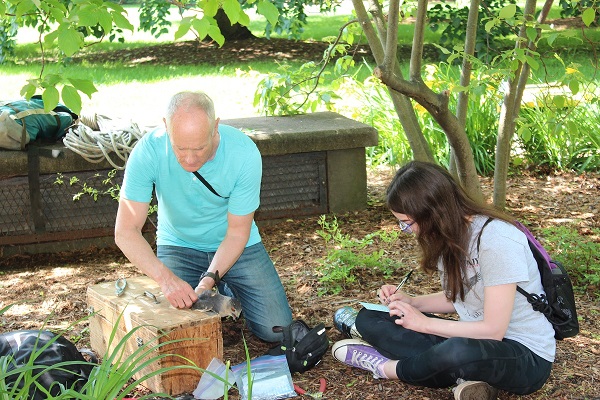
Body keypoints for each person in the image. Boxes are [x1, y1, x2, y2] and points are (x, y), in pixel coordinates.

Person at [331, 161, 555, 400]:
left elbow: (493, 331)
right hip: (471, 338)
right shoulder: (448, 236)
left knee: (456, 351)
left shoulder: (497, 240)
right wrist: (412, 303)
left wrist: (423, 324)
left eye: (407, 223)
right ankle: (472, 379)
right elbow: (462, 299)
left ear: (433, 212)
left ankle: (386, 367)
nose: (407, 230)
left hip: (523, 355)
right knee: (371, 318)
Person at [115, 90, 292, 342]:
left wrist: (209, 280)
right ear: (166, 127)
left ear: (215, 127)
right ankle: (225, 289)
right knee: (177, 333)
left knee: (276, 332)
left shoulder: (243, 153)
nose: (189, 158)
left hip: (238, 247)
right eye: (180, 148)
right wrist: (167, 281)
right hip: (178, 244)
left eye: (199, 148)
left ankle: (228, 284)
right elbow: (125, 231)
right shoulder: (148, 151)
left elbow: (237, 232)